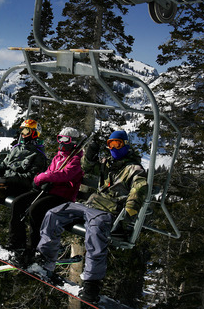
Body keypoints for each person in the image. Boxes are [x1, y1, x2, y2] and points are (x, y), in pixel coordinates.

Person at [33, 130, 148, 304]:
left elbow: (139, 187)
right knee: (54, 214)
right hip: (91, 205)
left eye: (118, 144)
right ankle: (45, 258)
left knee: (94, 234)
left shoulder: (134, 168)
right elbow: (86, 166)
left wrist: (129, 211)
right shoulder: (106, 163)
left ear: (125, 144)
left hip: (108, 211)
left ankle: (92, 283)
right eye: (111, 144)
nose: (114, 148)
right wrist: (92, 150)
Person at [7, 127, 84, 255]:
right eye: (59, 138)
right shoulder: (58, 157)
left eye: (65, 139)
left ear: (73, 142)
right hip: (49, 191)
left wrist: (42, 177)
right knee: (18, 202)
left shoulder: (75, 160)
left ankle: (34, 247)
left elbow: (65, 175)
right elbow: (50, 172)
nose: (61, 142)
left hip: (62, 196)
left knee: (36, 209)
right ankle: (16, 242)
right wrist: (43, 180)